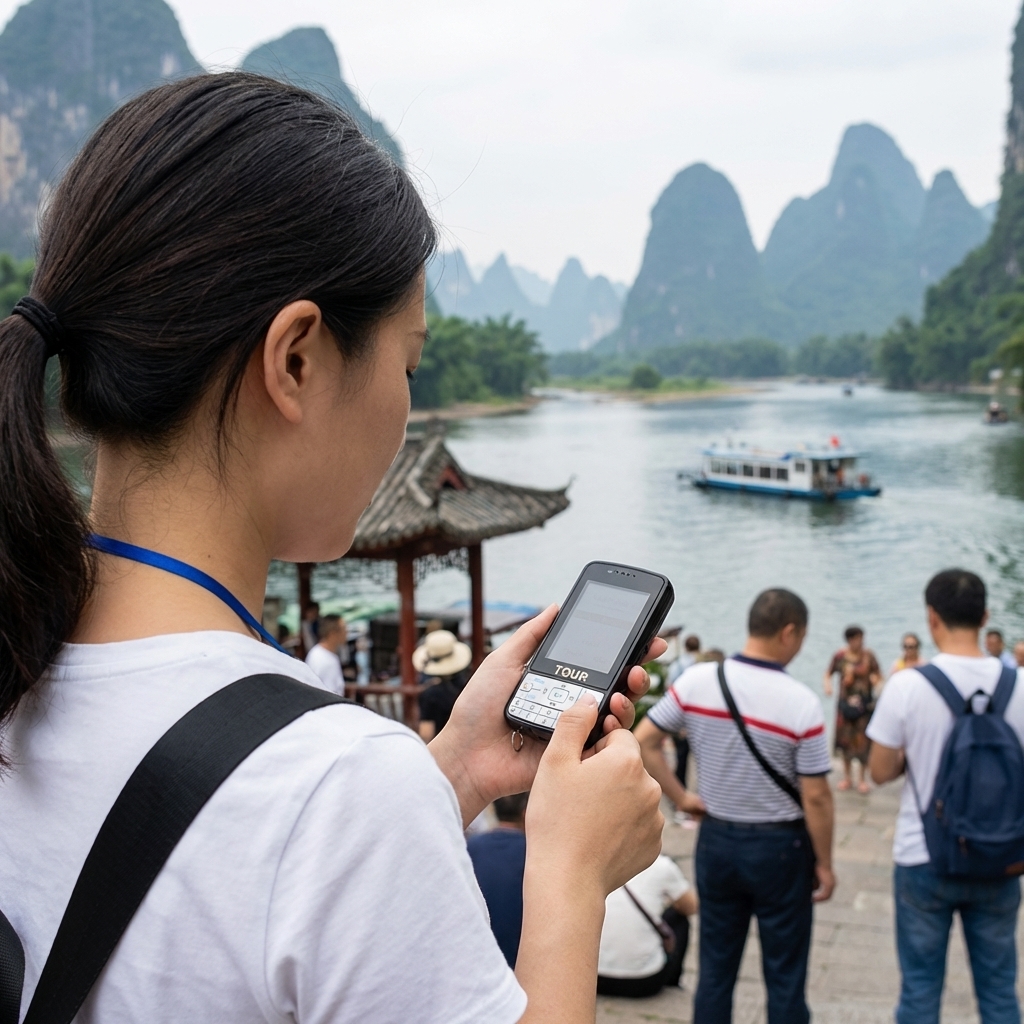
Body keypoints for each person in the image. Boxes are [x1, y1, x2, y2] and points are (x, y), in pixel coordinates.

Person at [0, 72, 667, 1024]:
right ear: (298, 358)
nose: (405, 405)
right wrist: (570, 874)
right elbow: (294, 835)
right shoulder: (334, 784)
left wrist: (457, 770)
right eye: (409, 363)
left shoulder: (20, 661)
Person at [635, 589, 835, 1024]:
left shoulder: (697, 682)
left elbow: (645, 741)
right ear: (789, 633)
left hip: (718, 841)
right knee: (784, 975)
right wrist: (825, 863)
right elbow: (817, 795)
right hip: (781, 848)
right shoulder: (800, 702)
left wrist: (682, 796)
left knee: (716, 970)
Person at [869, 569, 1024, 1024]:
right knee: (999, 991)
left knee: (920, 991)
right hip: (1002, 854)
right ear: (985, 616)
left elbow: (879, 772)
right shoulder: (1020, 685)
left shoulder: (908, 685)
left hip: (925, 855)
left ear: (931, 618)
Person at [597, 854, 697, 999]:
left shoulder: (597, 860)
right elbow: (691, 907)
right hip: (644, 982)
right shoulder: (662, 865)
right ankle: (673, 981)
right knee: (678, 917)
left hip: (593, 979)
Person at [467, 793, 529, 968]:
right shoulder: (534, 853)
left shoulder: (472, 846)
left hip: (478, 958)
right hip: (517, 961)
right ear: (525, 813)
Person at [823, 626, 881, 794]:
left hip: (864, 705)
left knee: (863, 740)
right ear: (849, 640)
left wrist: (875, 681)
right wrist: (828, 687)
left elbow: (878, 673)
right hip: (845, 704)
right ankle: (847, 777)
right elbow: (828, 673)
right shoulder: (840, 656)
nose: (860, 642)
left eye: (861, 638)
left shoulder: (869, 656)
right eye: (856, 639)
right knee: (845, 740)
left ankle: (862, 778)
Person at [415, 629, 473, 741]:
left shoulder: (429, 691)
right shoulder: (463, 680)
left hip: (443, 741)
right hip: (465, 737)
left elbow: (426, 731)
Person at [669, 634, 701, 796]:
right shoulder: (704, 665)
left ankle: (679, 795)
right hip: (701, 720)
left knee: (681, 759)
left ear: (685, 647)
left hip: (681, 720)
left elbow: (670, 690)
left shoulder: (678, 665)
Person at [304, 614, 348, 696]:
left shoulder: (326, 655)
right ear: (332, 633)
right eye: (344, 629)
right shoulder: (322, 659)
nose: (347, 632)